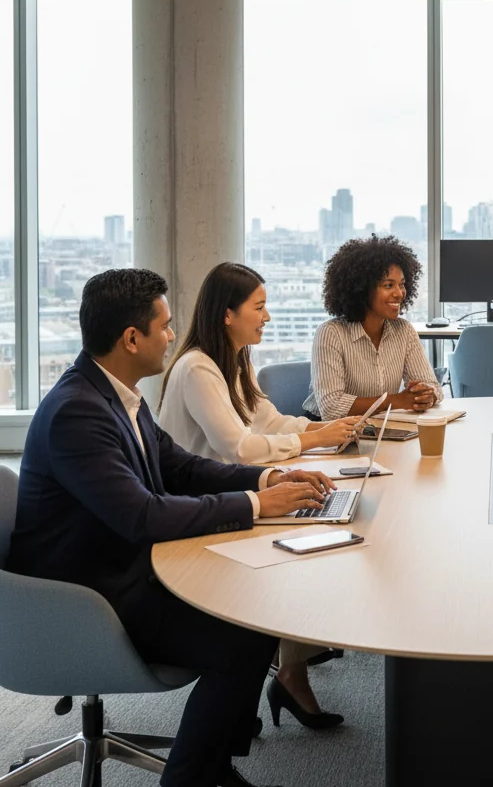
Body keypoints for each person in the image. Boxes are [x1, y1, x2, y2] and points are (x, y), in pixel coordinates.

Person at [6, 269, 335, 787]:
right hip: (84, 596)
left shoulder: (118, 395)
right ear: (130, 338)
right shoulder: (77, 413)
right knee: (242, 635)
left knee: (256, 607)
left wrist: (268, 478)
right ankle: (191, 777)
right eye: (163, 326)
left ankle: (212, 764)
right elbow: (143, 516)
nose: (171, 335)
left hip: (121, 566)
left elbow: (182, 467)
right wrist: (256, 504)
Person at [159, 261, 361, 729]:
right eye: (260, 306)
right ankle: (279, 677)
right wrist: (311, 440)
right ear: (227, 314)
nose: (267, 316)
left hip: (230, 490)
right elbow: (239, 446)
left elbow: (268, 421)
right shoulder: (197, 368)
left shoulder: (234, 359)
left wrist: (323, 431)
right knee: (299, 545)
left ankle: (289, 671)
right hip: (198, 511)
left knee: (313, 522)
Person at [305, 235, 441, 419]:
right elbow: (331, 407)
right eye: (388, 285)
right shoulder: (331, 333)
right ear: (362, 289)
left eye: (402, 284)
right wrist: (395, 401)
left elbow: (433, 386)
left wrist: (426, 395)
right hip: (329, 430)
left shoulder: (404, 330)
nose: (399, 293)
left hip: (380, 426)